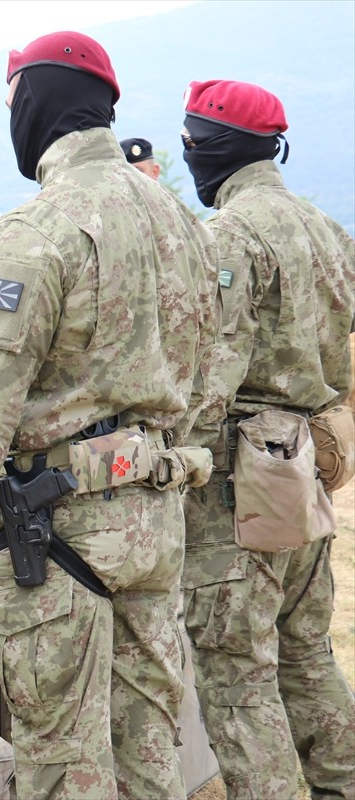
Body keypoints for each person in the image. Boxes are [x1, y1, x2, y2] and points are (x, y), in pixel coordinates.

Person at [0, 32, 217, 799]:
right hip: (156, 519)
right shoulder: (179, 219)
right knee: (151, 749)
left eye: (13, 103)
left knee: (62, 763)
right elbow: (206, 361)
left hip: (60, 536)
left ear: (37, 104)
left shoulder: (36, 231)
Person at [178, 79, 355, 799]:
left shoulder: (231, 234)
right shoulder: (326, 228)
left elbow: (209, 375)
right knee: (306, 652)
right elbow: (342, 361)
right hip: (304, 462)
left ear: (212, 148)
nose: (187, 157)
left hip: (238, 481)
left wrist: (172, 455)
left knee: (235, 669)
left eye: (190, 144)